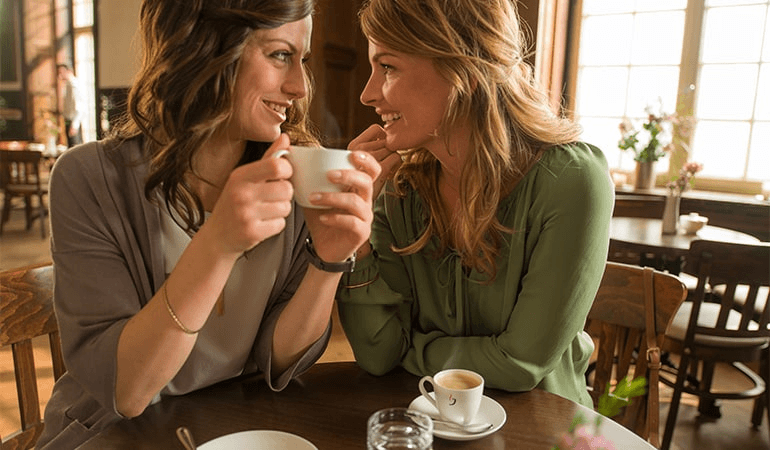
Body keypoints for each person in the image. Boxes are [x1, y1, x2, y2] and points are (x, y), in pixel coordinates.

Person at [38, 1, 379, 448]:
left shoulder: (292, 173)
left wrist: (328, 261)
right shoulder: (88, 179)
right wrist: (218, 244)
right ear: (202, 48)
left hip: (233, 433)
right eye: (280, 54)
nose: (299, 86)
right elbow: (128, 390)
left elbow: (278, 360)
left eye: (304, 60)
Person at [337, 0, 613, 408]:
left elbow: (520, 364)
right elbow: (378, 355)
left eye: (388, 67)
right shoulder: (398, 189)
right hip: (428, 420)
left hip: (544, 428)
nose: (366, 93)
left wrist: (411, 351)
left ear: (461, 67)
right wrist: (354, 238)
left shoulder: (573, 181)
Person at [57, 63, 84, 147]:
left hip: (73, 121)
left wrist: (75, 125)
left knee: (75, 148)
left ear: (68, 71)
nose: (60, 76)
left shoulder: (74, 85)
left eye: (61, 72)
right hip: (68, 120)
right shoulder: (67, 85)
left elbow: (79, 107)